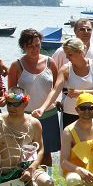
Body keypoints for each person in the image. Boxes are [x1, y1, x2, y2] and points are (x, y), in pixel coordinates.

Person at [8, 28, 60, 168]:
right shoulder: (16, 65)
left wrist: (57, 101)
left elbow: (56, 88)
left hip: (49, 114)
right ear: (23, 46)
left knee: (47, 152)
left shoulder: (50, 62)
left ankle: (47, 182)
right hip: (26, 116)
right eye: (30, 46)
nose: (35, 49)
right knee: (27, 153)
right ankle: (30, 183)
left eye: (37, 45)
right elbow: (12, 93)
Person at [36, 37, 93, 128]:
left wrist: (80, 93)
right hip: (70, 113)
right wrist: (42, 108)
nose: (67, 57)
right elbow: (55, 90)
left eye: (69, 54)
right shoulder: (65, 68)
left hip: (92, 111)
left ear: (79, 52)